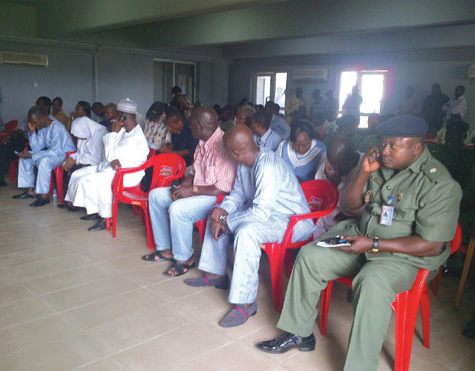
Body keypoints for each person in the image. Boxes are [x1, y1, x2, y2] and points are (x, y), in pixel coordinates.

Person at [257, 115, 462, 371]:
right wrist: (363, 173)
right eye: (383, 143)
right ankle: (299, 333)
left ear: (416, 148)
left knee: (372, 282)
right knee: (310, 256)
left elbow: (431, 245)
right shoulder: (380, 165)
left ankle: (360, 367)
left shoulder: (439, 185)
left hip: (403, 256)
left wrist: (373, 244)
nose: (384, 151)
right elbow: (349, 204)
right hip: (363, 237)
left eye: (392, 146)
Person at [184, 125, 315, 327]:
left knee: (246, 232)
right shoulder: (245, 162)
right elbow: (237, 195)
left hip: (292, 221)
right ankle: (216, 273)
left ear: (234, 152)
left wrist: (225, 221)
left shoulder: (267, 166)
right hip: (268, 215)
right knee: (216, 213)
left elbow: (260, 213)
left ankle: (246, 303)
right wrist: (222, 211)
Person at [143, 107, 236, 276]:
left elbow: (223, 188)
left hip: (216, 198)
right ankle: (165, 249)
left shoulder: (224, 145)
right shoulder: (202, 143)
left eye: (191, 124)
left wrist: (191, 191)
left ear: (200, 126)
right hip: (198, 191)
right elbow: (193, 173)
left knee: (178, 209)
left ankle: (185, 258)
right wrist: (182, 187)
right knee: (156, 196)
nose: (188, 127)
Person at [64, 98, 149, 231]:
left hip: (128, 174)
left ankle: (106, 218)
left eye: (117, 114)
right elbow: (110, 156)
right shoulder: (124, 131)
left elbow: (112, 158)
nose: (114, 117)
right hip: (114, 169)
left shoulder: (135, 137)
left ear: (123, 116)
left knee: (93, 180)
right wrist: (115, 134)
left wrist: (113, 133)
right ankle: (93, 210)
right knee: (78, 174)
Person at [0, 96, 51, 189]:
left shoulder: (50, 120)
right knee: (5, 146)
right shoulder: (31, 116)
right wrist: (9, 135)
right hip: (24, 139)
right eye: (36, 105)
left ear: (47, 107)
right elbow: (20, 131)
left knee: (2, 155)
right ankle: (0, 179)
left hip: (37, 144)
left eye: (39, 106)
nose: (36, 108)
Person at [13, 106, 76, 207]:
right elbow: (36, 148)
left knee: (44, 161)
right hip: (53, 153)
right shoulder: (42, 128)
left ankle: (44, 195)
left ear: (43, 118)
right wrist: (32, 132)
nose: (34, 125)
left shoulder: (57, 127)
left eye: (35, 122)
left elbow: (56, 150)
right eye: (32, 123)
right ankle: (30, 190)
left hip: (65, 155)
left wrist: (33, 155)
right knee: (25, 159)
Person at [313, 137, 364, 239]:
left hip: (354, 222)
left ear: (352, 159)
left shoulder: (365, 167)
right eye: (332, 164)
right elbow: (318, 196)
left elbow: (356, 209)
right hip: (330, 215)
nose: (334, 169)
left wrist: (337, 184)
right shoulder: (330, 165)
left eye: (339, 166)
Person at [57, 116, 107, 210]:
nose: (79, 138)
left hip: (98, 164)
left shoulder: (99, 133)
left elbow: (96, 158)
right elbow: (80, 152)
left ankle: (76, 203)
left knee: (75, 172)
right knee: (68, 170)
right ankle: (70, 201)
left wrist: (76, 161)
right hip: (86, 161)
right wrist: (70, 159)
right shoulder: (84, 132)